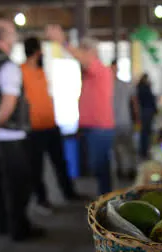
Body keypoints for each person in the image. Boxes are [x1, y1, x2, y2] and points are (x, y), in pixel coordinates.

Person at [0, 20, 43, 241]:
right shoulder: (8, 65)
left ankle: (2, 225)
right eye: (12, 34)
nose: (15, 38)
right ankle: (19, 230)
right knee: (18, 185)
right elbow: (8, 101)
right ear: (3, 38)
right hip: (8, 135)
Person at [45, 25, 114, 195]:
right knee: (98, 167)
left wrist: (62, 42)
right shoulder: (91, 72)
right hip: (93, 127)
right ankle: (104, 200)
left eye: (84, 51)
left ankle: (106, 202)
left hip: (100, 128)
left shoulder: (99, 69)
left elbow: (82, 58)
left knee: (101, 168)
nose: (79, 55)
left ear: (92, 53)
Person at [22, 37, 79, 214]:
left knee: (60, 162)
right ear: (36, 51)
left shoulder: (41, 71)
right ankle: (42, 201)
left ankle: (68, 192)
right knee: (36, 169)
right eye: (41, 50)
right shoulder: (20, 71)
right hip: (33, 129)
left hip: (51, 125)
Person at [110, 59, 139, 180]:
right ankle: (122, 170)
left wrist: (137, 118)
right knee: (119, 149)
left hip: (123, 121)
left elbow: (134, 103)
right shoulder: (107, 85)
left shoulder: (125, 85)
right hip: (113, 123)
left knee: (127, 148)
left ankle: (130, 169)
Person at [136, 73, 157, 159]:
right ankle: (144, 152)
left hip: (144, 112)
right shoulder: (144, 87)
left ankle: (143, 151)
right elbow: (151, 100)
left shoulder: (140, 87)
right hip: (147, 112)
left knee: (144, 133)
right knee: (146, 133)